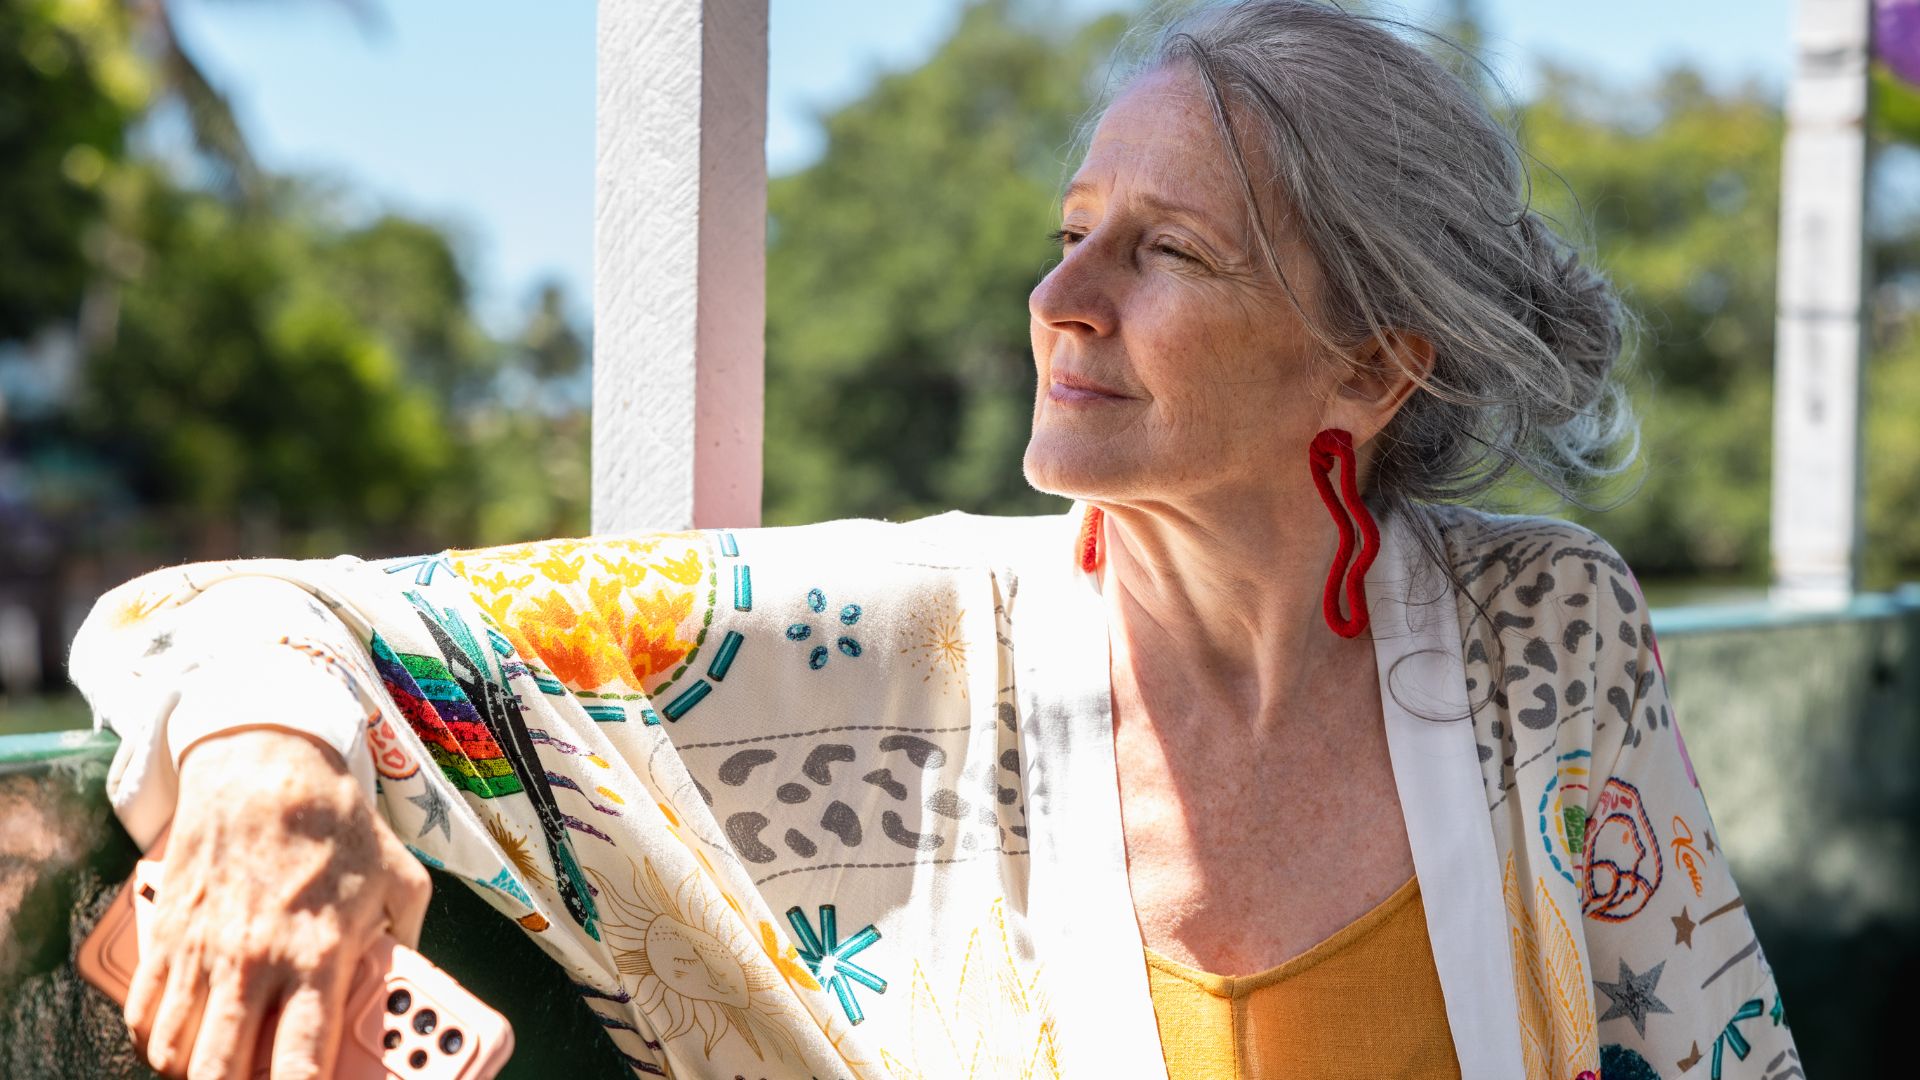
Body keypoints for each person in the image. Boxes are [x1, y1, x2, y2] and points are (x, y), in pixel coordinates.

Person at [70, 2, 1800, 1078]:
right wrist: (273, 788)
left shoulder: (1543, 628)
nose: (1059, 300)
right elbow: (235, 615)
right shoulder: (882, 639)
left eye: (1166, 254)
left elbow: (1704, 1036)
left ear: (1371, 362)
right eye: (1069, 233)